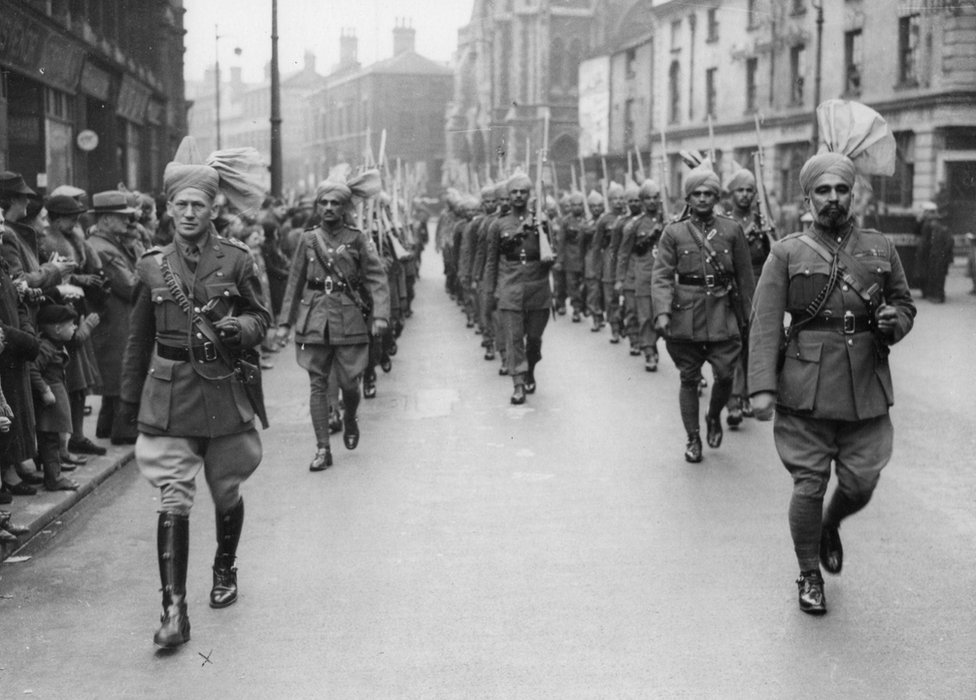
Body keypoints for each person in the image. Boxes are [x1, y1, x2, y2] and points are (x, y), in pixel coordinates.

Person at [748, 99, 916, 615]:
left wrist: (896, 322)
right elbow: (763, 323)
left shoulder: (879, 248)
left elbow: (905, 304)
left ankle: (831, 523)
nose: (834, 198)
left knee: (863, 481)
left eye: (842, 188)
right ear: (808, 196)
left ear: (854, 192)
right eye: (824, 190)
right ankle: (807, 574)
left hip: (865, 385)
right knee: (808, 482)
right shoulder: (787, 252)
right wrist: (761, 387)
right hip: (806, 387)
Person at [118, 137, 271, 648]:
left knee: (226, 489)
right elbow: (138, 340)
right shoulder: (151, 265)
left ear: (212, 209)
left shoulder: (236, 259)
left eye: (198, 205)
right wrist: (125, 405)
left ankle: (224, 568)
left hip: (224, 391)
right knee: (173, 495)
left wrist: (242, 330)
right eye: (180, 204)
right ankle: (174, 611)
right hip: (169, 394)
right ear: (168, 209)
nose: (188, 213)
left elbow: (262, 317)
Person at [275, 168, 390, 471]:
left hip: (349, 319)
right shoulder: (308, 239)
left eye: (335, 203)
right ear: (318, 205)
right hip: (314, 319)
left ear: (344, 207)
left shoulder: (357, 239)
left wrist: (380, 315)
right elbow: (294, 282)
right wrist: (285, 322)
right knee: (318, 384)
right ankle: (322, 448)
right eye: (323, 202)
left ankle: (350, 416)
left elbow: (376, 278)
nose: (328, 208)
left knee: (350, 385)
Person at [651, 165, 755, 463]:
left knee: (725, 375)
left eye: (708, 193)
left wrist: (749, 316)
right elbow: (661, 275)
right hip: (686, 315)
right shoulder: (674, 231)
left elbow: (746, 278)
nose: (702, 199)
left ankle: (714, 415)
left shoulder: (731, 230)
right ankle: (693, 438)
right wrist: (662, 312)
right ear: (688, 197)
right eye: (696, 194)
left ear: (717, 196)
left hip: (723, 313)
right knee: (688, 378)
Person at [482, 173, 555, 405]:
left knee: (533, 339)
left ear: (529, 194)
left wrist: (549, 257)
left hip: (537, 288)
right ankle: (518, 384)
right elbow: (492, 261)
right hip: (510, 287)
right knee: (514, 339)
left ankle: (530, 368)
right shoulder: (498, 225)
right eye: (514, 192)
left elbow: (553, 254)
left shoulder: (542, 222)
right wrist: (490, 291)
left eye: (523, 191)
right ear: (509, 195)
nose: (518, 196)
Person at [87, 191, 142, 445]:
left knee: (115, 376)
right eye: (123, 217)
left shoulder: (105, 244)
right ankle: (124, 431)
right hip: (114, 321)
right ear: (107, 219)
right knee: (120, 374)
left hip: (113, 319)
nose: (128, 222)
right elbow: (130, 286)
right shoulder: (105, 249)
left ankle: (106, 427)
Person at [723, 167, 773, 426]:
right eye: (739, 190)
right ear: (731, 194)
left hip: (756, 291)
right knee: (732, 344)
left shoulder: (763, 223)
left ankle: (745, 395)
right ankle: (733, 400)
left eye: (749, 190)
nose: (744, 195)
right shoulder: (724, 222)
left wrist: (769, 235)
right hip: (729, 290)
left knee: (750, 344)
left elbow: (773, 259)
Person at [615, 180, 664, 371]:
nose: (652, 202)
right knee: (644, 317)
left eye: (655, 198)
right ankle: (649, 350)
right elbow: (624, 253)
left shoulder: (667, 220)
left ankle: (653, 342)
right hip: (643, 277)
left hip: (665, 278)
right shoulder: (634, 225)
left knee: (664, 318)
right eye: (648, 198)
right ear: (642, 201)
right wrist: (620, 278)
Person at [555, 193, 587, 322]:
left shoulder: (588, 220)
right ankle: (576, 309)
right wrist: (560, 261)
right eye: (574, 205)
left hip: (585, 258)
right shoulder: (566, 221)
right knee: (572, 286)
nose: (577, 207)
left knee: (586, 285)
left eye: (580, 204)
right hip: (570, 259)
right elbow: (561, 242)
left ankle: (585, 305)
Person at [581, 190, 606, 331]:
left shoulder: (609, 220)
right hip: (591, 259)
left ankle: (602, 314)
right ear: (589, 208)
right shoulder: (586, 224)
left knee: (605, 290)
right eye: (593, 206)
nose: (596, 208)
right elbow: (581, 245)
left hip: (606, 257)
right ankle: (596, 317)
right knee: (593, 290)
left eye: (599, 205)